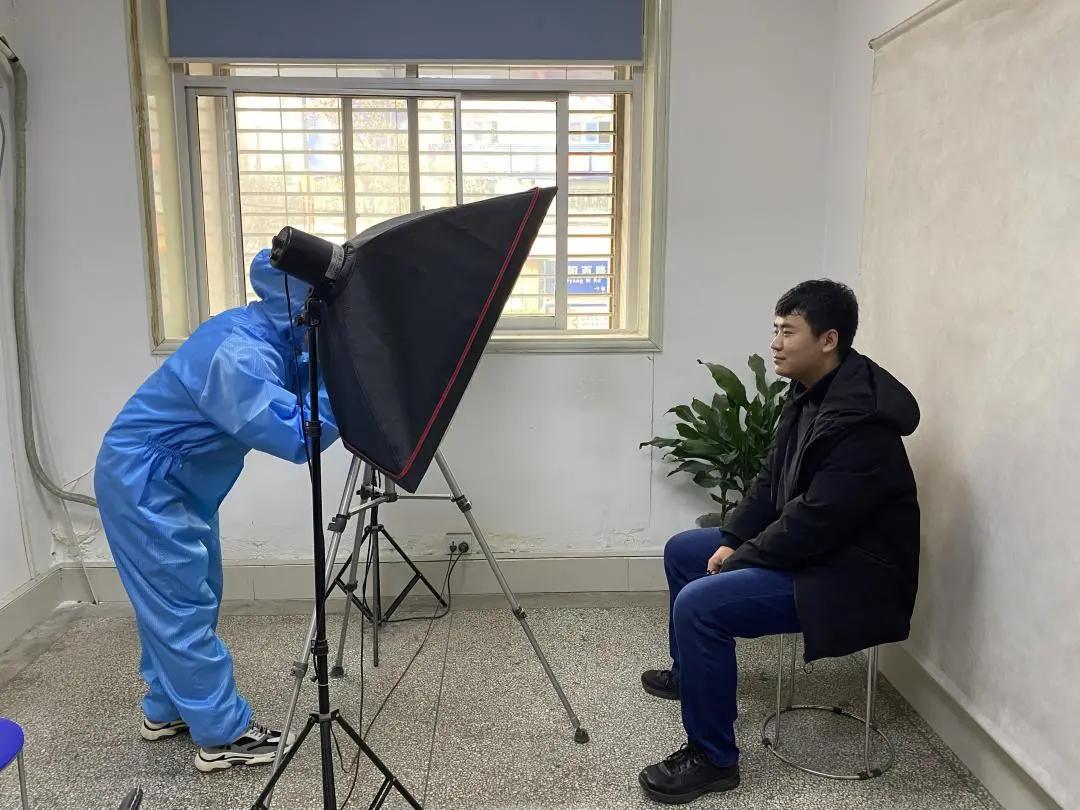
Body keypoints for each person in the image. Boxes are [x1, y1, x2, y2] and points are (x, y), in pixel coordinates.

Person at [638, 279, 921, 804]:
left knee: (701, 605)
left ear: (828, 339)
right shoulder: (810, 393)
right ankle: (691, 676)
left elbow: (817, 521)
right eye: (775, 330)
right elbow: (772, 480)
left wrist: (740, 556)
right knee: (683, 550)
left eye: (788, 332)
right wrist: (734, 537)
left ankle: (713, 760)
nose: (775, 343)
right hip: (816, 552)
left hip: (851, 575)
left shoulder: (862, 424)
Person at [93, 250, 339, 772]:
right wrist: (344, 390)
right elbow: (299, 434)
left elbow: (293, 378)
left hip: (177, 480)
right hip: (147, 482)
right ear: (304, 303)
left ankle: (166, 709)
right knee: (180, 604)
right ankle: (222, 735)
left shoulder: (268, 335)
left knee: (186, 596)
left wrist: (325, 364)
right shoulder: (239, 354)